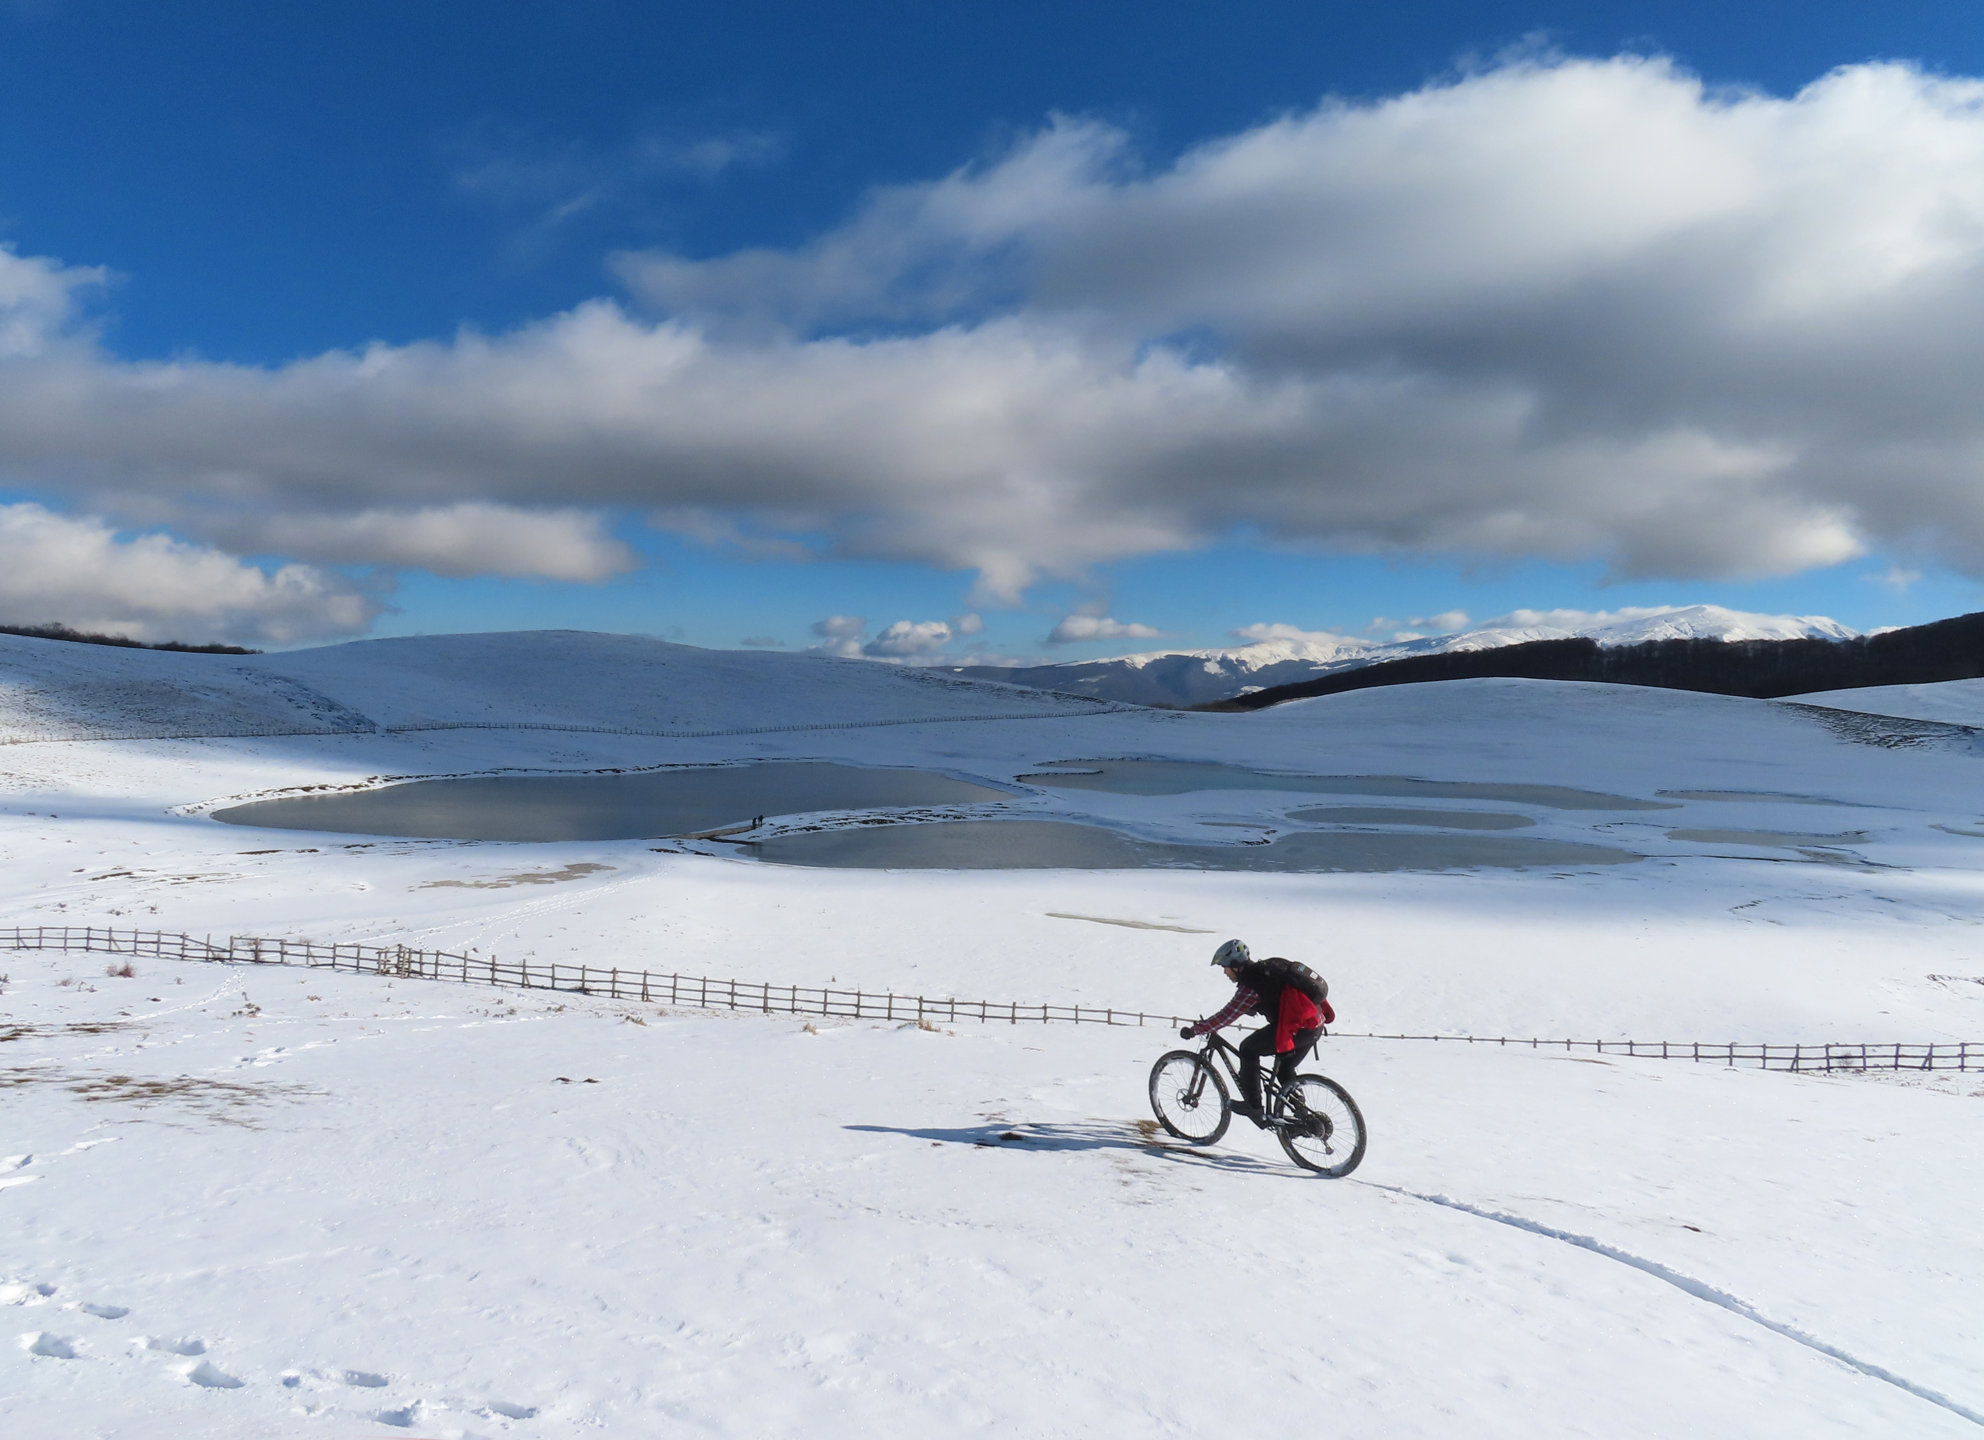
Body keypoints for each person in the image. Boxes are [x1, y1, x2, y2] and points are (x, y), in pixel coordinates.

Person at [1181, 939, 1331, 1124]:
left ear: (1235, 966)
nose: (1225, 972)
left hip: (1298, 1028)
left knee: (1248, 1048)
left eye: (1225, 967)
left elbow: (1227, 1016)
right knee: (1286, 1070)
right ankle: (1304, 1119)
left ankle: (1253, 1106)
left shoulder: (1251, 984)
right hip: (1314, 1025)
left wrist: (1197, 1029)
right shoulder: (1267, 971)